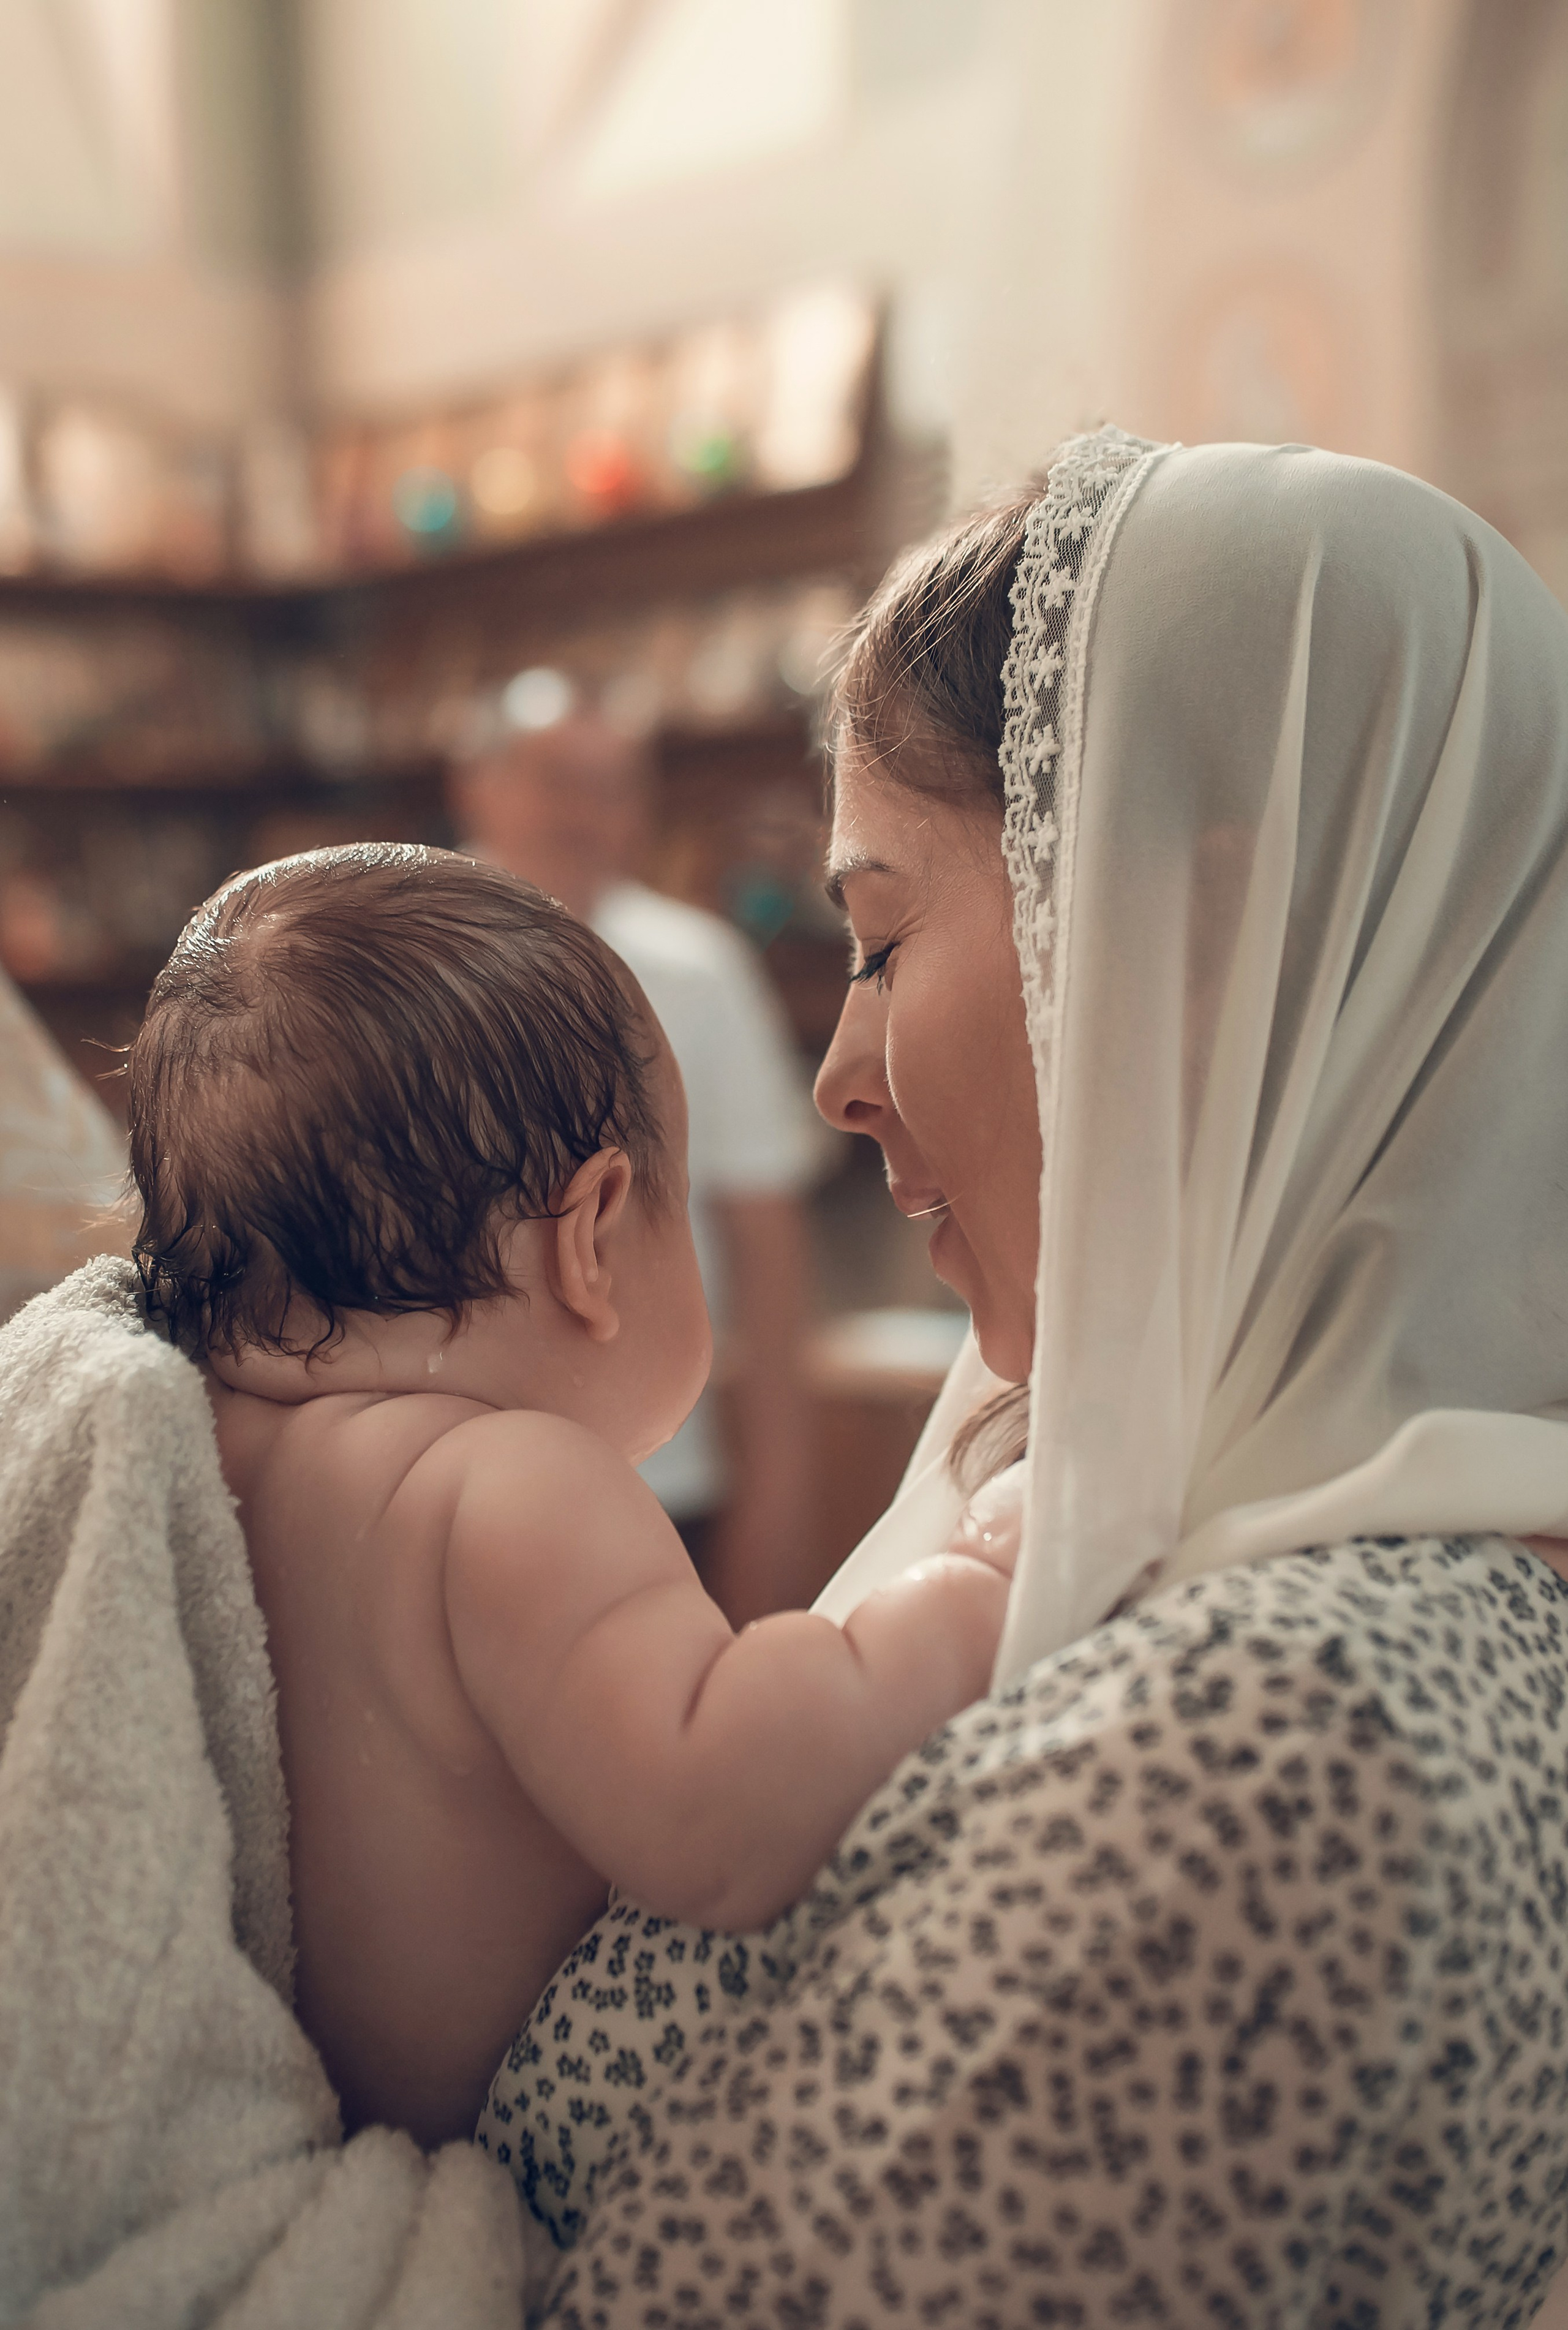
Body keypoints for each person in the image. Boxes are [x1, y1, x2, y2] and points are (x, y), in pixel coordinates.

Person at [475, 431, 1568, 2327]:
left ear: (1192, 934)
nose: (843, 1074)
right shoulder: (1163, 1491)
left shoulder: (1262, 1759)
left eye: (884, 937)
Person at [124, 843, 1014, 2152]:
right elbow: (717, 1805)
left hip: (296, 2140)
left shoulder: (203, 1451)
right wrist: (972, 1593)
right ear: (591, 1237)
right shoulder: (501, 1484)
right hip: (517, 2171)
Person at [449, 711, 820, 1624]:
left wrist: (779, 1485)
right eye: (558, 782)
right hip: (447, 1467)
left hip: (666, 1471)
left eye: (613, 790)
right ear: (479, 787)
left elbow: (765, 1238)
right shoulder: (397, 959)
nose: (586, 815)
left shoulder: (702, 970)